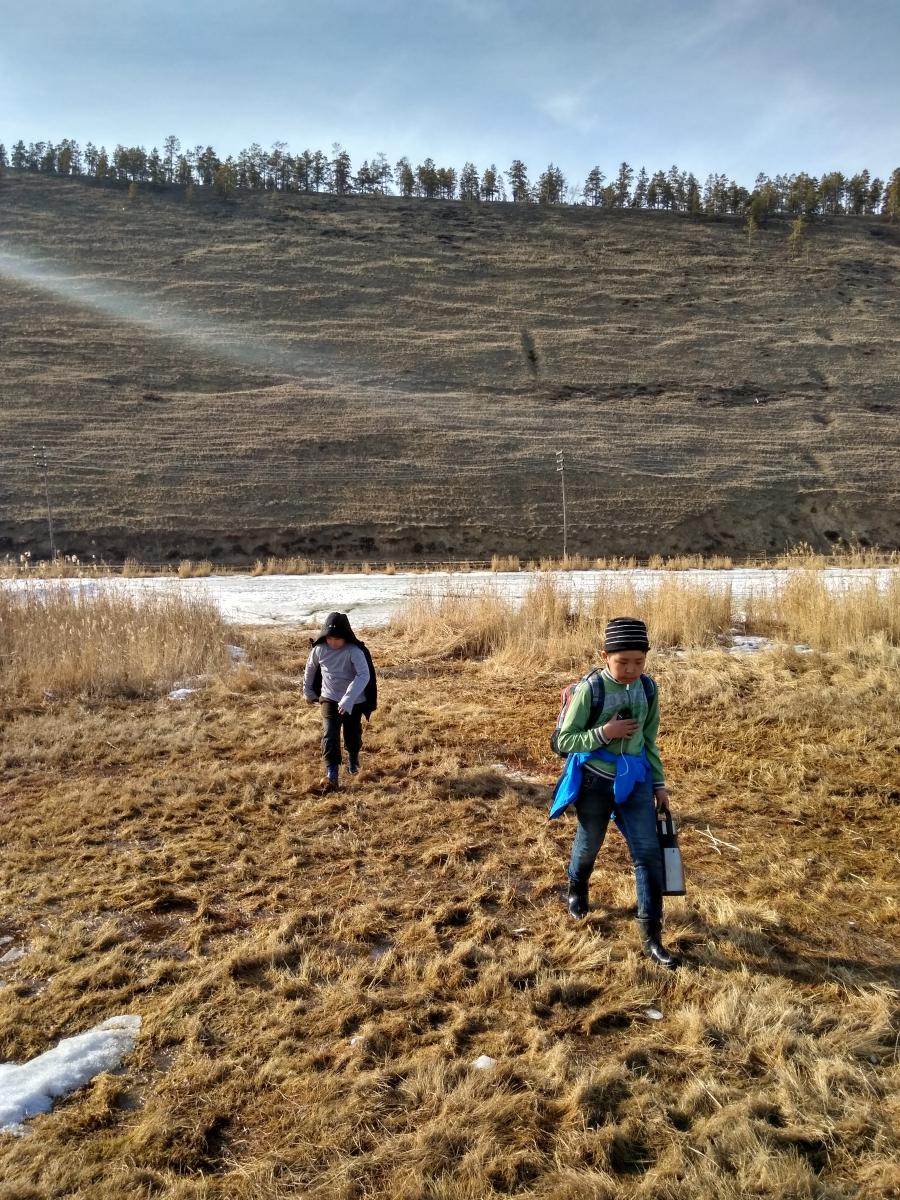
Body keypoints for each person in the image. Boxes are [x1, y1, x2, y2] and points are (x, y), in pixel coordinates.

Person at [552, 616, 676, 967]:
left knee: (648, 853)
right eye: (623, 662)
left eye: (639, 661)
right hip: (595, 781)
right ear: (604, 656)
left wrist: (658, 783)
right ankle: (577, 887)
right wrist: (605, 733)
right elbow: (563, 741)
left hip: (635, 781)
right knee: (589, 842)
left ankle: (652, 935)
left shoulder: (648, 689)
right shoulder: (590, 690)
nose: (631, 670)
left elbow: (649, 740)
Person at [303, 612, 372, 791]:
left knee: (352, 734)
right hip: (330, 697)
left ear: (346, 636)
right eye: (330, 638)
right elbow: (310, 668)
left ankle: (353, 760)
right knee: (330, 733)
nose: (333, 642)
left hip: (354, 700)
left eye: (337, 639)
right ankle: (332, 773)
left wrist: (348, 699)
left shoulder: (354, 651)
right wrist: (308, 691)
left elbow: (364, 675)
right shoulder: (319, 649)